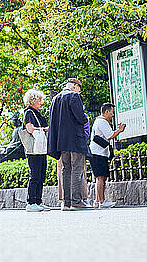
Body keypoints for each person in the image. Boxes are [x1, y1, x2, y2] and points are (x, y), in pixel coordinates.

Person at [48, 78, 92, 210]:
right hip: (75, 139)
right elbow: (80, 117)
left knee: (65, 170)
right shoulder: (74, 96)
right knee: (77, 169)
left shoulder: (55, 99)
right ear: (74, 86)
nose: (79, 91)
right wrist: (86, 118)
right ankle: (76, 201)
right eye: (79, 88)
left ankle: (66, 202)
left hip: (61, 141)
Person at [90, 103, 126, 208]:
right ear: (106, 112)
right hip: (98, 153)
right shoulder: (102, 121)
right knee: (101, 177)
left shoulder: (99, 121)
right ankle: (102, 202)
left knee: (101, 177)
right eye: (112, 112)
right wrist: (119, 130)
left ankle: (98, 200)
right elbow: (110, 135)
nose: (113, 115)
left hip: (99, 153)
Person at [21, 89, 50, 212]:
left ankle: (38, 201)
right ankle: (31, 202)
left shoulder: (37, 113)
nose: (41, 102)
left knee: (41, 174)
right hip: (33, 149)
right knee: (35, 175)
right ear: (32, 101)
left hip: (40, 148)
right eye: (39, 100)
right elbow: (30, 129)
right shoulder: (29, 113)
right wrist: (44, 129)